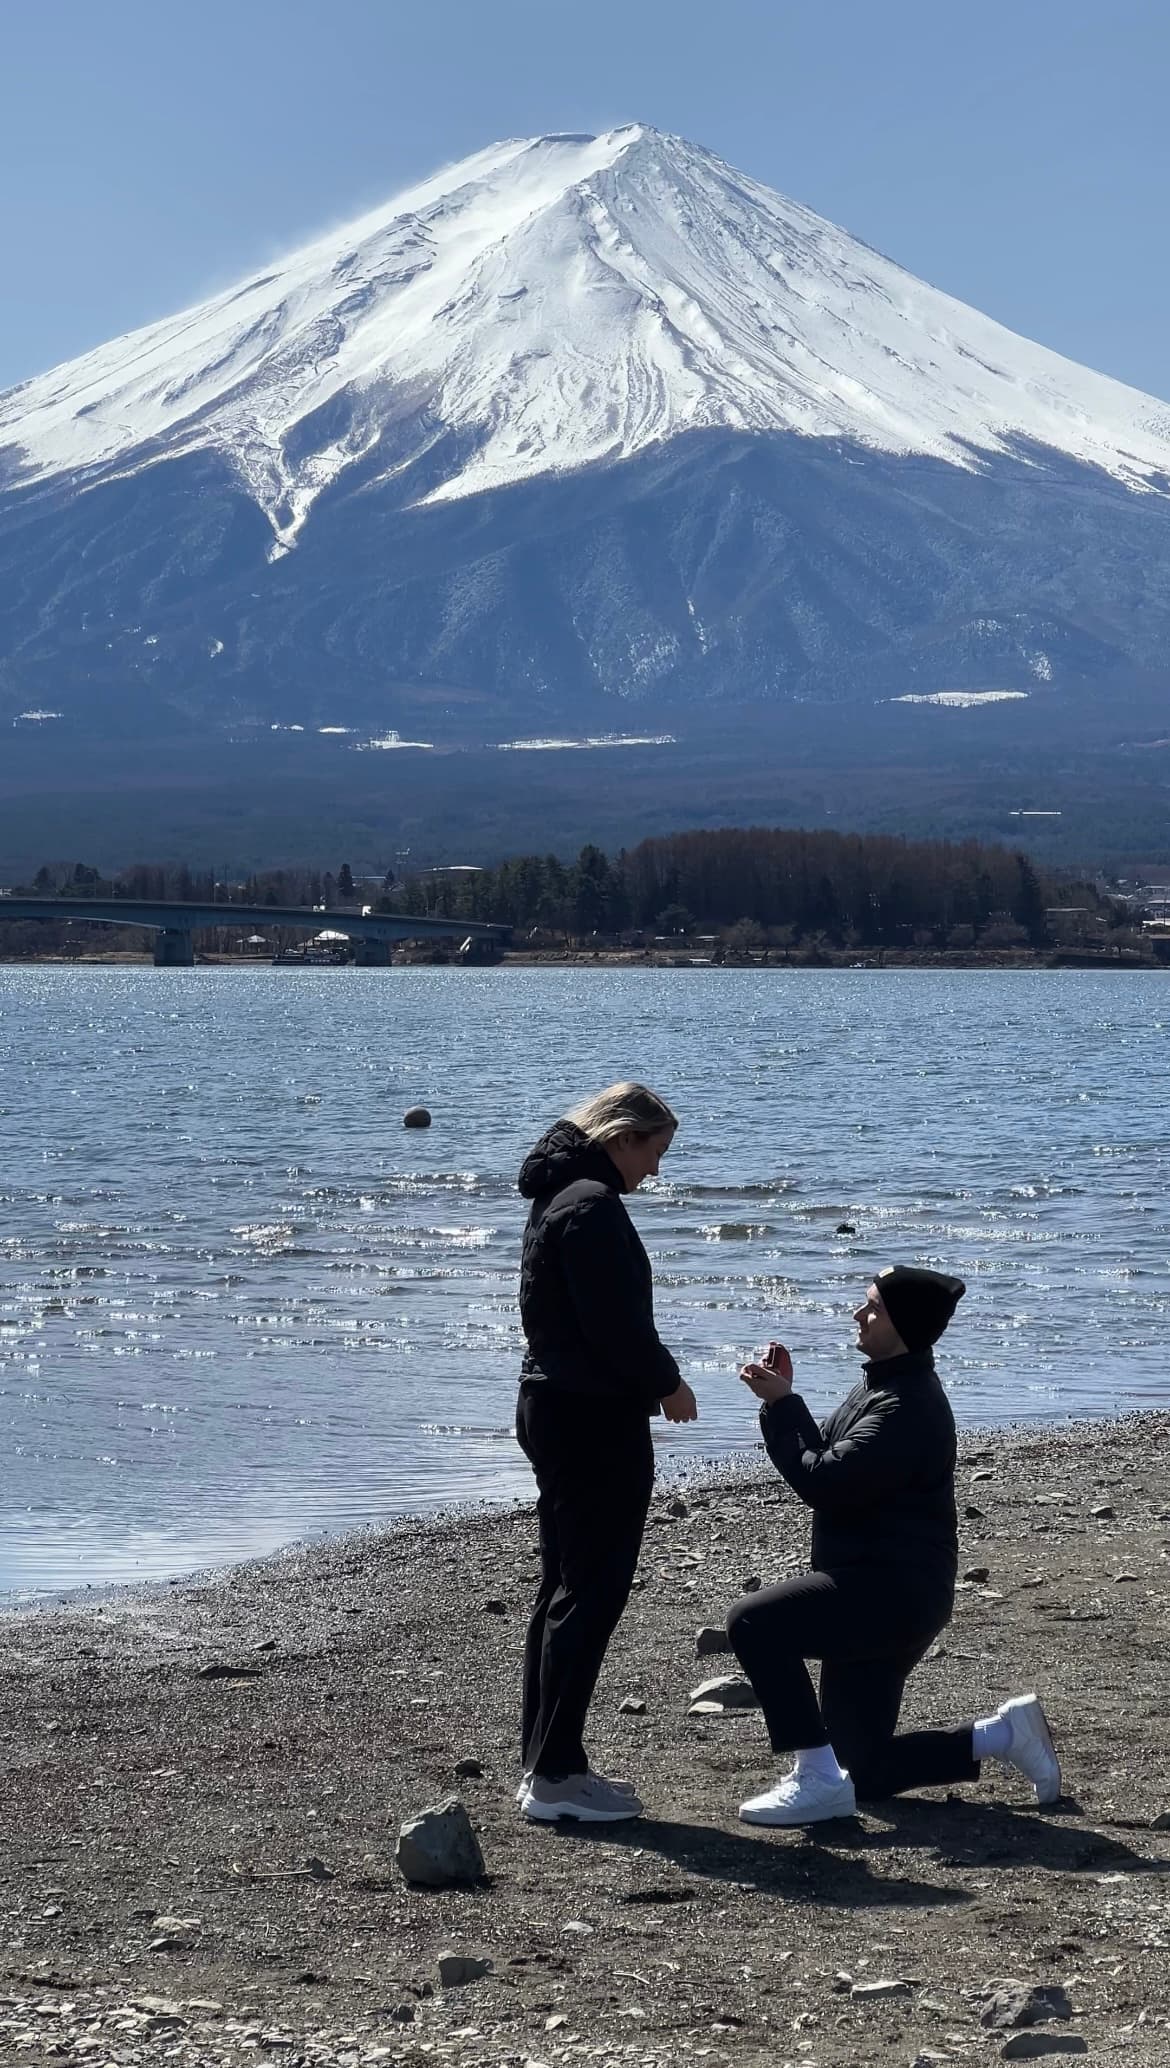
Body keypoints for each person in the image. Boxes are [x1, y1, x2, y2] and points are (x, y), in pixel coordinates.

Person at [726, 1266, 1061, 1826]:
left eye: (873, 1308)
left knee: (753, 1623)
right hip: (882, 1588)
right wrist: (784, 1398)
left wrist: (784, 1406)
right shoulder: (881, 1383)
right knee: (865, 1769)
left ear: (902, 1325)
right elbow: (828, 1457)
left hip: (888, 1595)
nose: (860, 1315)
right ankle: (1005, 1735)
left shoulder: (906, 1407)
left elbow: (823, 1483)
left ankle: (812, 1776)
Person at [514, 1081, 698, 1824]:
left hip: (556, 1404)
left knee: (564, 1587)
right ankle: (556, 1773)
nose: (655, 1169)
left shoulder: (559, 1196)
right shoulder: (590, 1204)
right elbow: (613, 1326)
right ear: (623, 1136)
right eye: (655, 1151)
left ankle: (544, 1764)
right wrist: (668, 1384)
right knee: (591, 1591)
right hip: (589, 1414)